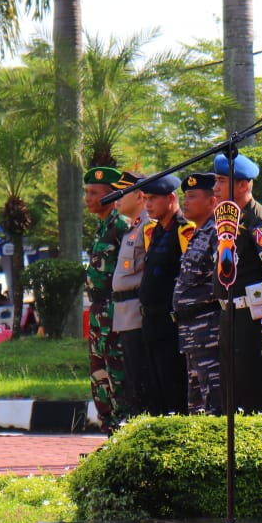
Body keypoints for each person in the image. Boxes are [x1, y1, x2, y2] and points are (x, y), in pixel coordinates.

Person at [212, 153, 262, 413]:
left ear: (242, 185)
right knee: (230, 392)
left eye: (221, 181)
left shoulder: (257, 220)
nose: (215, 188)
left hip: (251, 316)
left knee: (251, 391)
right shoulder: (227, 218)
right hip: (229, 314)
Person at [138, 174, 192, 415]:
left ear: (171, 199)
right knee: (155, 392)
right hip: (151, 322)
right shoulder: (154, 231)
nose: (148, 204)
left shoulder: (183, 230)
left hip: (170, 324)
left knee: (174, 390)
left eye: (153, 199)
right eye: (146, 198)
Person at [83, 165, 131, 432]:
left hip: (114, 309)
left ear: (112, 196)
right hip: (98, 310)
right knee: (99, 377)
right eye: (87, 192)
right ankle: (109, 432)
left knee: (117, 374)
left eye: (94, 193)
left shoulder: (121, 226)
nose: (88, 198)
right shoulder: (103, 227)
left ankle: (122, 431)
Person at [174, 173, 223, 414]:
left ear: (212, 202)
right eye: (185, 197)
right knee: (196, 406)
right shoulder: (198, 233)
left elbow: (222, 279)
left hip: (209, 329)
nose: (186, 202)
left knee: (213, 401)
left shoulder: (216, 233)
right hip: (191, 331)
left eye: (192, 197)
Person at [109, 171, 152, 417]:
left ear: (139, 196)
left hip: (137, 313)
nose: (117, 198)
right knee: (131, 381)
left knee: (140, 381)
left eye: (122, 192)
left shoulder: (148, 226)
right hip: (125, 314)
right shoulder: (133, 227)